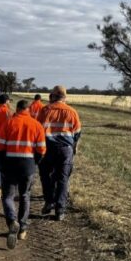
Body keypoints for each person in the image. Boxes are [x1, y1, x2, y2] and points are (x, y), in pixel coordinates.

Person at [0, 99, 46, 249]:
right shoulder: (37, 125)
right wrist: (35, 162)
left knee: (8, 196)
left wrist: (2, 162)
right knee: (25, 195)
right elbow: (41, 149)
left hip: (9, 164)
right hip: (28, 165)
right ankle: (23, 229)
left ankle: (12, 221)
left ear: (17, 109)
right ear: (29, 110)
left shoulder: (8, 123)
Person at [37, 85, 81, 220]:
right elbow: (77, 133)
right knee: (63, 178)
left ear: (53, 96)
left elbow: (38, 130)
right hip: (65, 149)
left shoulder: (45, 110)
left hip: (47, 148)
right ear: (64, 97)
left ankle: (49, 201)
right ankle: (60, 210)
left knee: (45, 175)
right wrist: (74, 147)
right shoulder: (72, 112)